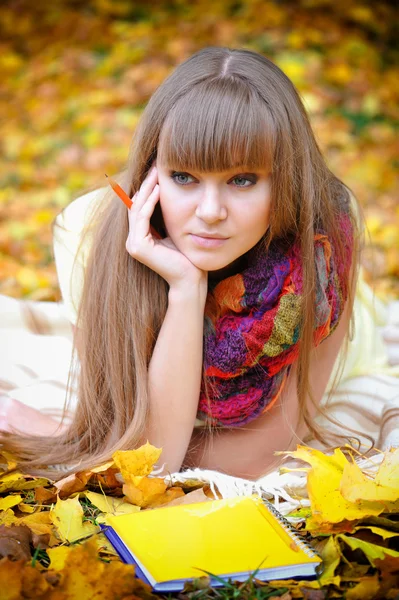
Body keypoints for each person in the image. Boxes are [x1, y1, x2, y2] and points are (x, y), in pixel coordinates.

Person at [1, 46, 396, 482]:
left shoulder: (323, 240)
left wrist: (112, 445)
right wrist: (186, 289)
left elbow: (249, 455)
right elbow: (157, 460)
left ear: (286, 180)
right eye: (183, 177)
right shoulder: (85, 236)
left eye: (242, 180)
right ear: (152, 173)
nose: (210, 211)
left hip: (362, 344)